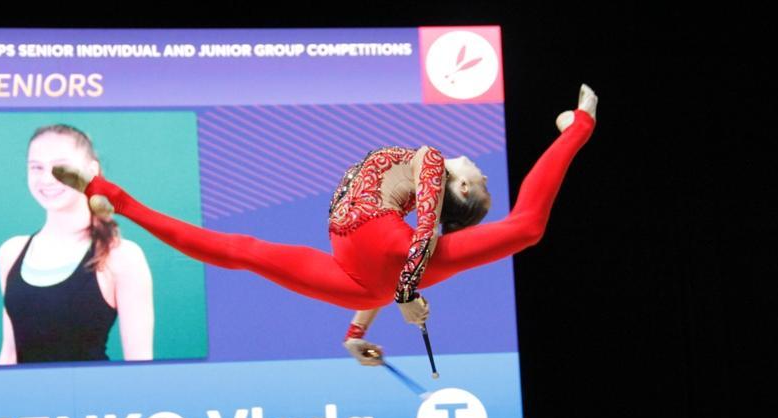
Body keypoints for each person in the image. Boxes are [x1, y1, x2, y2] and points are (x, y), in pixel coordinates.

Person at [53, 85, 597, 365]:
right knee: (241, 250)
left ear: (459, 188)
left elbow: (416, 236)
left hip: (377, 255)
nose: (478, 168)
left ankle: (578, 126)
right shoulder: (415, 223)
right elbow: (393, 264)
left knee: (526, 226)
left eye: (476, 178)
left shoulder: (431, 164)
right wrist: (359, 329)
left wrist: (406, 289)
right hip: (365, 267)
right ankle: (114, 198)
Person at [0, 124, 154, 364]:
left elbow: (141, 367)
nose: (47, 178)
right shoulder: (11, 252)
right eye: (36, 167)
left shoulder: (122, 257)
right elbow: (9, 354)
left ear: (91, 171)